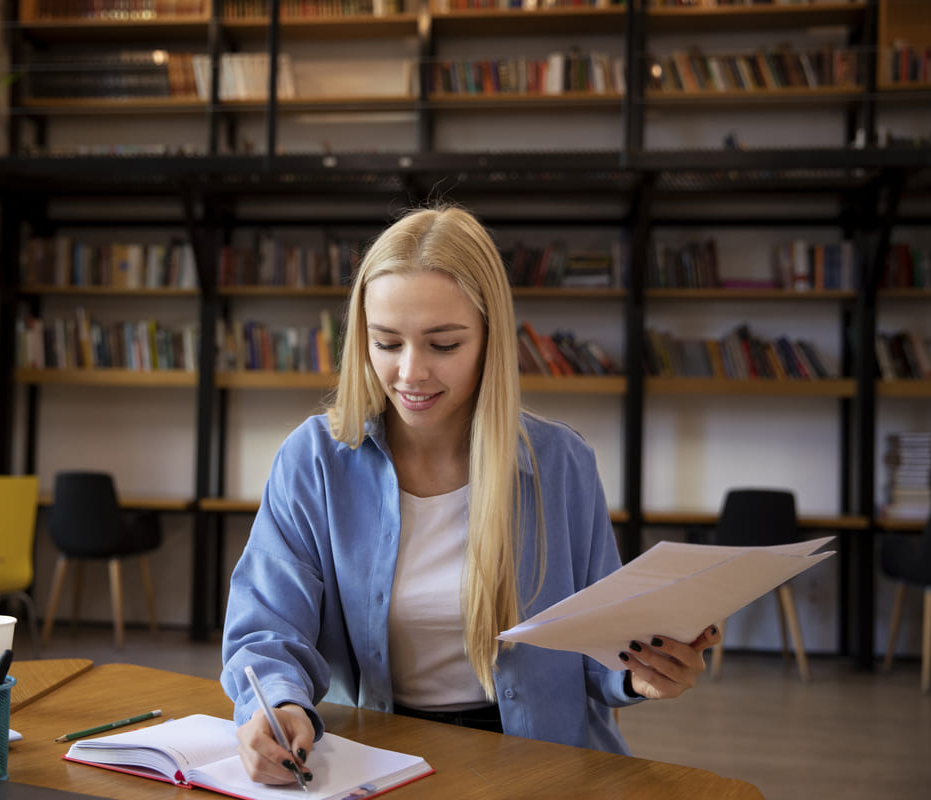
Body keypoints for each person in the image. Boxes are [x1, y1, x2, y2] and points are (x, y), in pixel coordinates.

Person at [220, 205, 721, 787]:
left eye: (443, 345)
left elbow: (600, 651)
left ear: (489, 339)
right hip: (376, 757)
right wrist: (277, 705)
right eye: (386, 343)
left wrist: (643, 675)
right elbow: (267, 626)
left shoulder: (561, 463)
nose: (410, 372)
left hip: (542, 763)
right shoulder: (312, 462)